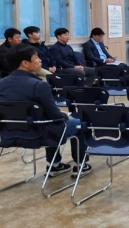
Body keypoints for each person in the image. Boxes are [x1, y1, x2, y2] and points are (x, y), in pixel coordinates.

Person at [0, 44, 91, 177]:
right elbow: (54, 115)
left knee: (47, 121)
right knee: (79, 123)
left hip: (9, 133)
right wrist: (63, 115)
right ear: (25, 63)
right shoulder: (39, 85)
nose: (40, 60)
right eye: (36, 57)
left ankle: (55, 165)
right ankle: (82, 164)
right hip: (40, 134)